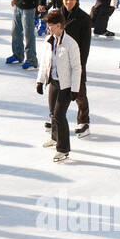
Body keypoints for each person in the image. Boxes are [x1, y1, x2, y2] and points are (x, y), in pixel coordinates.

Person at [37, 9, 81, 163]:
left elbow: (77, 67)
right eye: (48, 26)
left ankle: (63, 149)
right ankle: (55, 138)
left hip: (66, 85)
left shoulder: (70, 43)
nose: (48, 28)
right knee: (52, 113)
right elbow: (44, 62)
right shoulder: (49, 41)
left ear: (60, 25)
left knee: (59, 115)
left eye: (51, 26)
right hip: (53, 82)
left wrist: (75, 89)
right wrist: (40, 81)